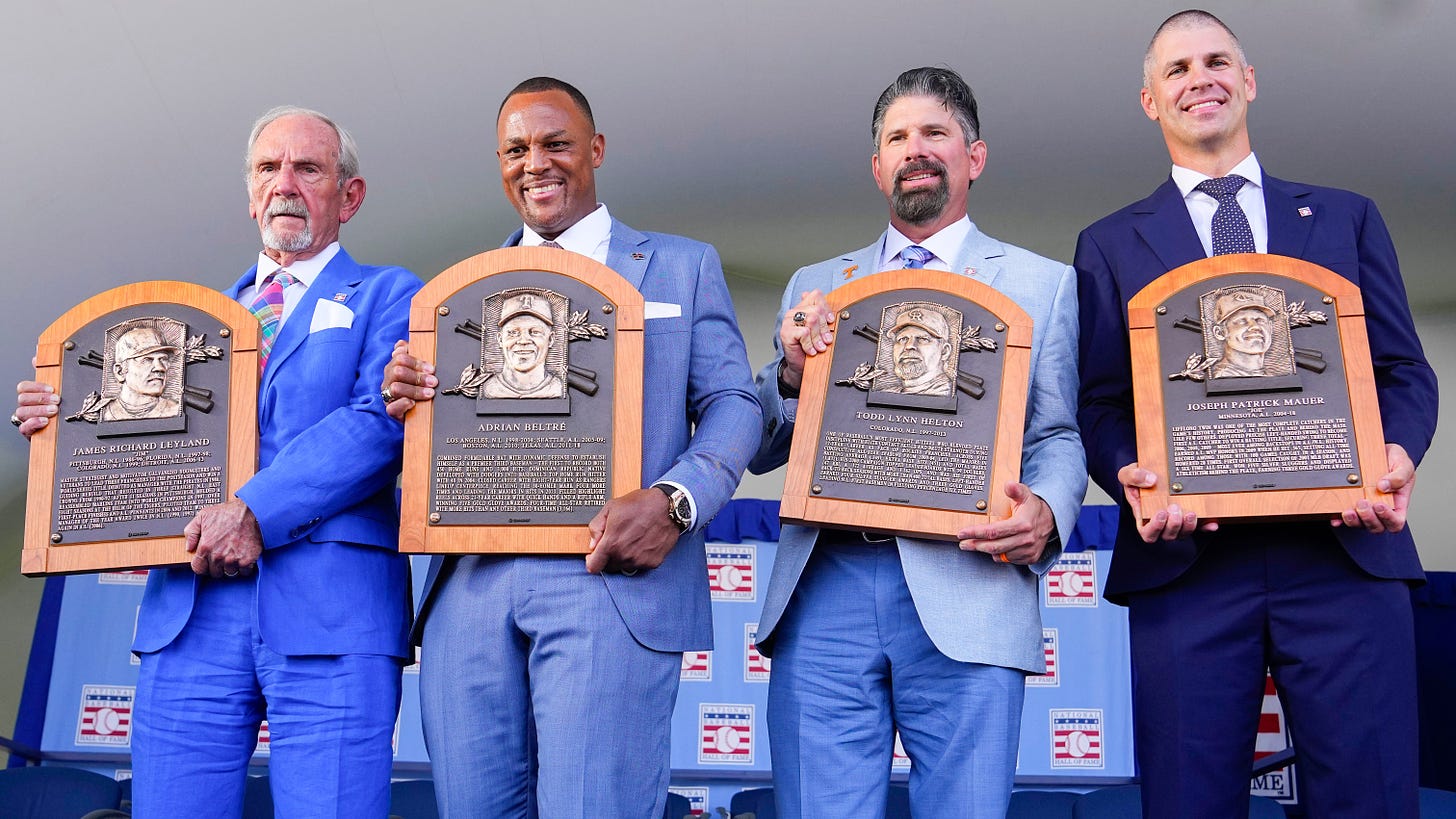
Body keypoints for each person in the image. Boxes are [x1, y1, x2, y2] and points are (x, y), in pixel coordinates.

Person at [1075, 10, 1438, 818]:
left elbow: (1405, 372)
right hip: (1188, 567)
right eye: (1176, 69)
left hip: (1344, 552)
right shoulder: (1107, 244)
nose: (1198, 79)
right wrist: (1129, 475)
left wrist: (1399, 455)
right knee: (1187, 804)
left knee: (1372, 799)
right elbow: (1098, 401)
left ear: (1248, 81)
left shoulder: (1346, 217)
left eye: (1216, 62)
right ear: (1149, 101)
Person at [15, 106, 421, 817]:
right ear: (249, 192)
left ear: (348, 196)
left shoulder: (394, 295)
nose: (284, 184)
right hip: (191, 613)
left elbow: (377, 425)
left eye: (308, 168)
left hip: (332, 607)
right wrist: (62, 423)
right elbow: (133, 439)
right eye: (268, 168)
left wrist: (254, 511)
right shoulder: (182, 322)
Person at [380, 76, 761, 817]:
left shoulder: (682, 265)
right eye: (516, 149)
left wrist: (676, 501)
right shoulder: (456, 295)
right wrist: (406, 398)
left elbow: (734, 404)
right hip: (471, 586)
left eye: (556, 143)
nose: (537, 163)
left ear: (596, 149)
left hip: (609, 579)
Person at [748, 67, 1085, 819]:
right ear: (878, 167)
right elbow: (763, 443)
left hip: (971, 582)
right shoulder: (815, 284)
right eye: (897, 138)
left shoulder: (1044, 284)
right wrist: (795, 372)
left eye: (935, 133)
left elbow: (1057, 433)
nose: (916, 150)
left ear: (975, 156)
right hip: (825, 586)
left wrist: (1050, 513)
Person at [484, 291, 565, 398]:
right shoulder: (489, 389)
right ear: (500, 339)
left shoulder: (558, 389)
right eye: (513, 332)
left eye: (535, 332)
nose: (523, 341)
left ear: (550, 339)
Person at [102, 325, 182, 420]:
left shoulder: (175, 410)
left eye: (163, 359)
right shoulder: (104, 413)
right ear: (120, 371)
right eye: (147, 360)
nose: (160, 368)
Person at [1208, 290, 1276, 378]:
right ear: (1220, 332)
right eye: (1242, 321)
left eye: (1260, 320)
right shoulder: (1222, 377)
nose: (1255, 327)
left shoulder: (1270, 376)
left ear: (1270, 328)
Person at [888, 306, 954, 395]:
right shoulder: (887, 393)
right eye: (902, 339)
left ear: (944, 351)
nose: (909, 346)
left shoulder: (947, 393)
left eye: (923, 339)